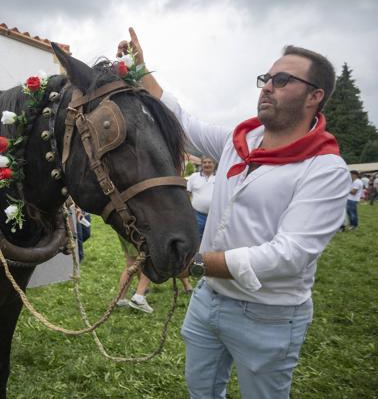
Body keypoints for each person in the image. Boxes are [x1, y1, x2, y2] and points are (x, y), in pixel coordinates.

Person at [117, 27, 350, 398]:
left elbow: (291, 254)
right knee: (201, 391)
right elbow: (180, 119)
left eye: (282, 80)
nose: (267, 86)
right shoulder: (237, 141)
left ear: (315, 96)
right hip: (209, 299)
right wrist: (139, 69)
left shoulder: (325, 168)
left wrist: (194, 265)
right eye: (266, 78)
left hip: (268, 315)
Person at [115, 235, 154, 313]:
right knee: (148, 262)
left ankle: (120, 299)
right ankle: (139, 298)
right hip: (135, 232)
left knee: (130, 263)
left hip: (123, 230)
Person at [187, 156, 216, 237]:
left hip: (214, 216)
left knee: (212, 238)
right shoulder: (194, 176)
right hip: (197, 215)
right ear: (201, 164)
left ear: (214, 164)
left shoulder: (220, 177)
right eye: (204, 162)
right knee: (196, 237)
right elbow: (187, 193)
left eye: (209, 162)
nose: (207, 165)